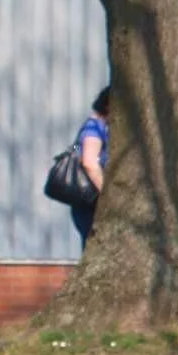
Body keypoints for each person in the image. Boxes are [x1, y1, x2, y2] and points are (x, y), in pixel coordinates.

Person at [68, 87, 110, 246]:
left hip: (86, 201)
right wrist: (108, 195)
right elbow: (89, 163)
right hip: (89, 201)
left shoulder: (92, 126)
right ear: (108, 105)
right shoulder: (94, 128)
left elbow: (75, 149)